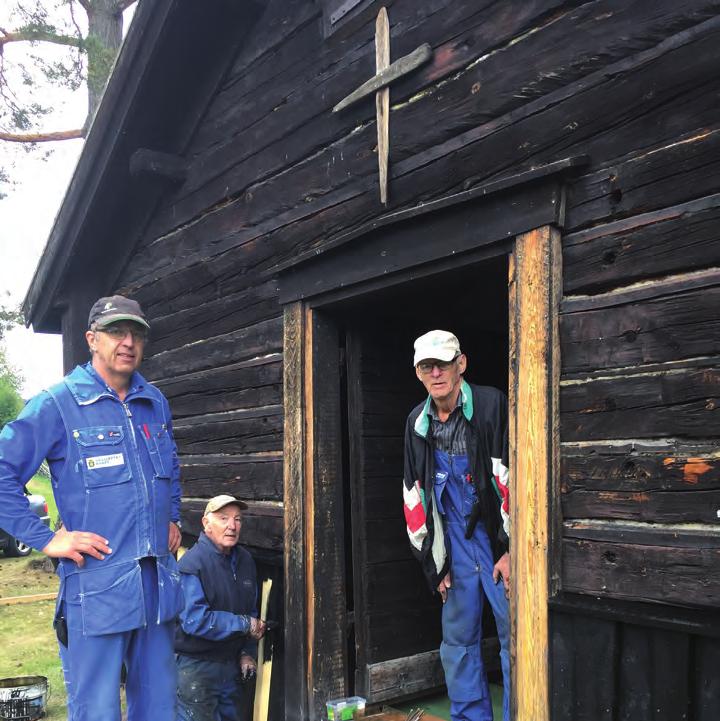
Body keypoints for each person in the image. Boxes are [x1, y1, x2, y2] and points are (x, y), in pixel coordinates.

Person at [0, 294, 183, 721]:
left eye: (137, 333)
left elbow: (170, 464)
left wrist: (172, 515)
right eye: (116, 331)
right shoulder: (59, 403)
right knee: (97, 711)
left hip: (157, 587)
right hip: (97, 587)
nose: (128, 341)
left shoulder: (154, 401)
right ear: (91, 339)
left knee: (159, 709)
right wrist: (45, 538)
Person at [402, 330, 510, 721]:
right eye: (426, 367)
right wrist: (436, 563)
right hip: (454, 543)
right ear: (418, 373)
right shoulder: (417, 422)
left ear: (460, 364)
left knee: (514, 634)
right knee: (458, 640)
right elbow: (414, 497)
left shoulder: (490, 405)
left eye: (443, 364)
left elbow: (509, 480)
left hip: (494, 536)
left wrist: (510, 548)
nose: (436, 373)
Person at [175, 494, 266, 721]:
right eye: (223, 518)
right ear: (206, 523)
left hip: (231, 665)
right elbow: (195, 620)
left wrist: (247, 653)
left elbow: (251, 610)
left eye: (238, 519)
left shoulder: (245, 560)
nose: (232, 526)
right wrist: (244, 625)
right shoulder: (191, 564)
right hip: (197, 668)